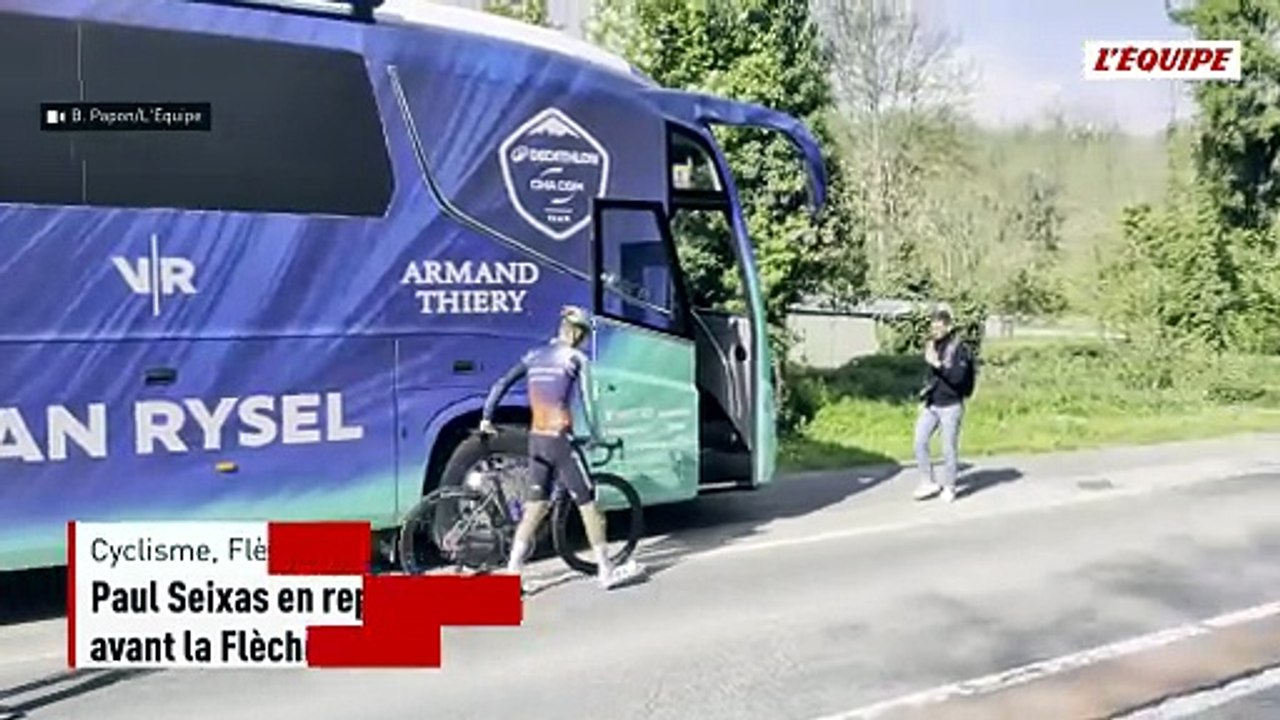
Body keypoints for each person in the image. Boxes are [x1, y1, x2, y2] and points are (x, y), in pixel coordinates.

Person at [478, 305, 643, 591]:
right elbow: (590, 403)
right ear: (578, 334)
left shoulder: (533, 356)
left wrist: (486, 418)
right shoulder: (576, 359)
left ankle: (513, 573)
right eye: (586, 335)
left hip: (537, 439)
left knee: (535, 507)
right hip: (559, 440)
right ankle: (606, 571)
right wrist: (596, 436)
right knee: (588, 503)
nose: (586, 341)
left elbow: (501, 383)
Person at [912, 307, 975, 503]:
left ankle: (950, 486)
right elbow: (931, 378)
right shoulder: (933, 345)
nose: (936, 331)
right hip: (932, 404)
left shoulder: (958, 349)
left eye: (940, 327)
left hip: (951, 405)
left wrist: (938, 365)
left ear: (948, 326)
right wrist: (925, 398)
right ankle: (927, 482)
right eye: (933, 327)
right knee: (919, 441)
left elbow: (957, 378)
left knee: (948, 448)